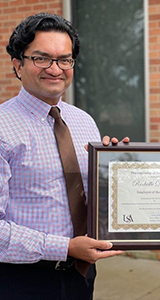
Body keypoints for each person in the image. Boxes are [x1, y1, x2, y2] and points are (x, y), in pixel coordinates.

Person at [0, 13, 125, 300]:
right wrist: (65, 247)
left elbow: (91, 198)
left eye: (65, 60)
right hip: (21, 280)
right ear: (18, 65)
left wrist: (118, 170)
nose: (55, 69)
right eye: (41, 58)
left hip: (81, 273)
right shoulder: (2, 128)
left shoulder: (84, 122)